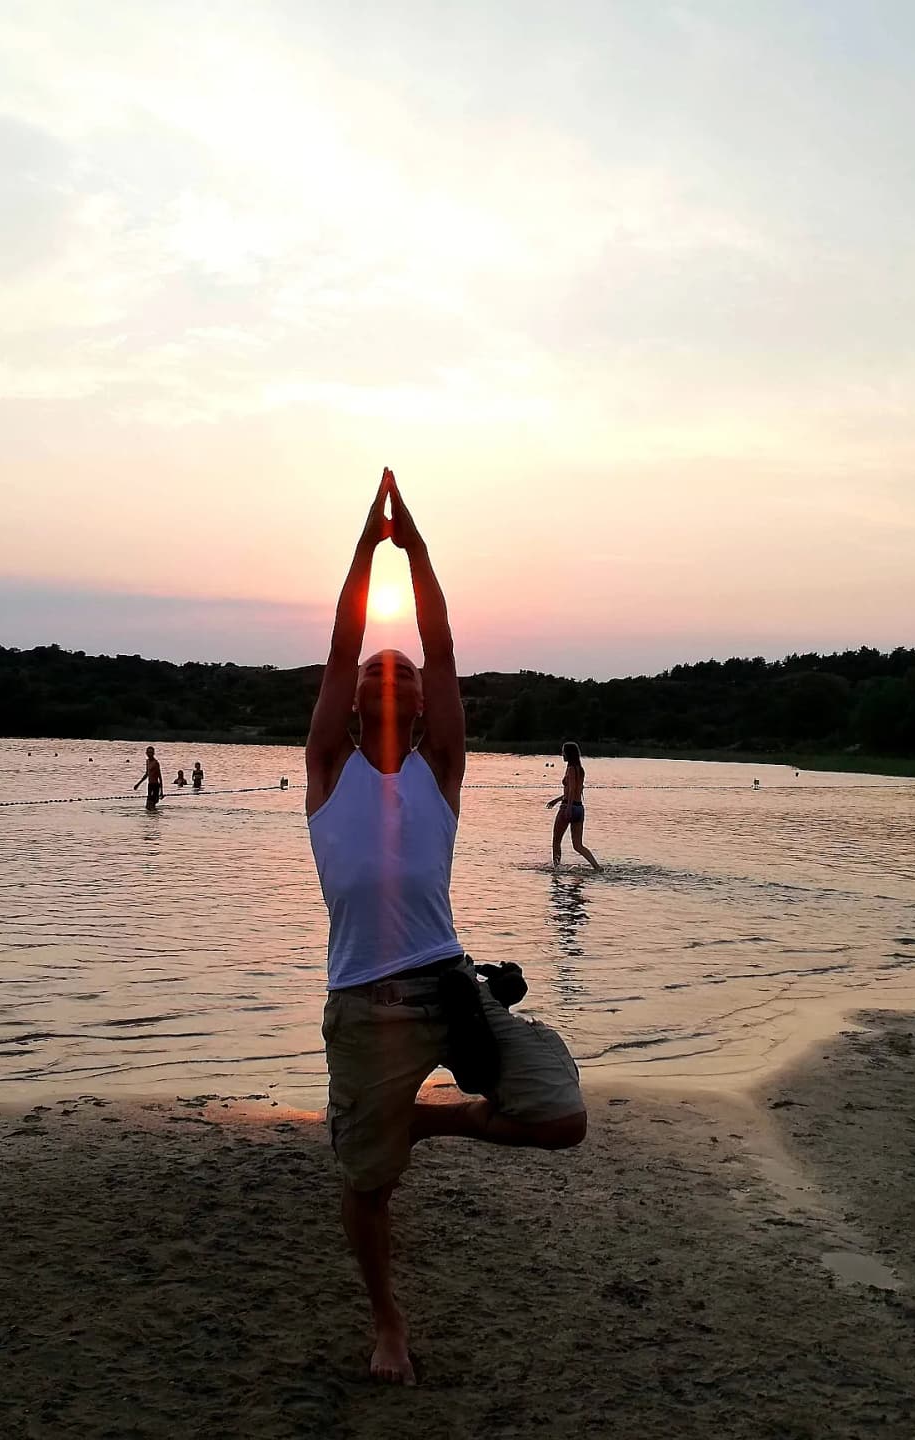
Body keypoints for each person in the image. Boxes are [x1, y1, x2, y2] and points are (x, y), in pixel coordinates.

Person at [306, 468, 587, 1386]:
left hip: (447, 985)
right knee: (366, 1184)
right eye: (377, 678)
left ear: (425, 705)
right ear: (355, 701)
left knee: (560, 1119)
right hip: (362, 1006)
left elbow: (444, 646)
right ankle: (387, 1323)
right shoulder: (326, 773)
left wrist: (415, 549)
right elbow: (347, 641)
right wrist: (362, 548)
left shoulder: (441, 772)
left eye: (409, 679)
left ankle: (434, 1124)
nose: (394, 680)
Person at [546, 741, 602, 871]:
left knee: (556, 841)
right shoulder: (580, 770)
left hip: (568, 807)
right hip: (579, 808)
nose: (562, 754)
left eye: (563, 752)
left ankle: (556, 869)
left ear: (568, 754)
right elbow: (576, 790)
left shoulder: (571, 769)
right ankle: (597, 867)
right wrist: (556, 800)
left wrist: (568, 807)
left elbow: (571, 790)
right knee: (578, 845)